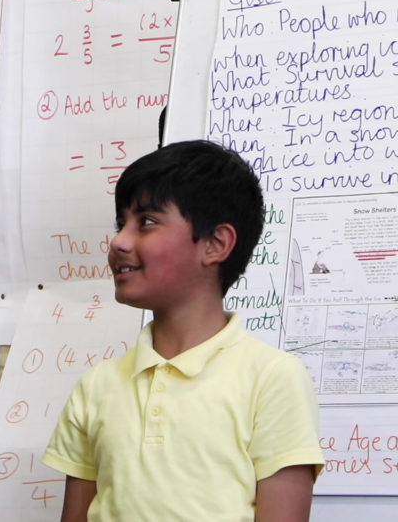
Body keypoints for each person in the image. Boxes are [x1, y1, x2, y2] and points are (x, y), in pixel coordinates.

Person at [43, 140, 324, 521]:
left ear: (215, 244)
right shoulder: (96, 386)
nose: (119, 241)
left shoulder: (271, 378)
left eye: (146, 221)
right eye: (121, 224)